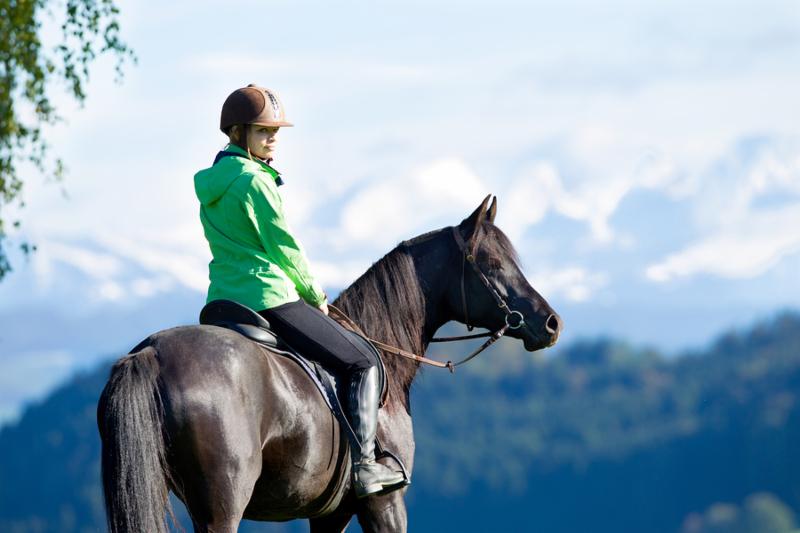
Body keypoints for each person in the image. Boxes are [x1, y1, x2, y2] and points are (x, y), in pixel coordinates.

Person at [193, 84, 405, 498]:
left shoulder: (210, 186)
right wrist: (314, 295)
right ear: (238, 134)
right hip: (268, 297)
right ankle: (363, 468)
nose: (273, 139)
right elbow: (284, 246)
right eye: (262, 131)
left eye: (275, 131)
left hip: (221, 300)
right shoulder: (256, 182)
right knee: (362, 363)